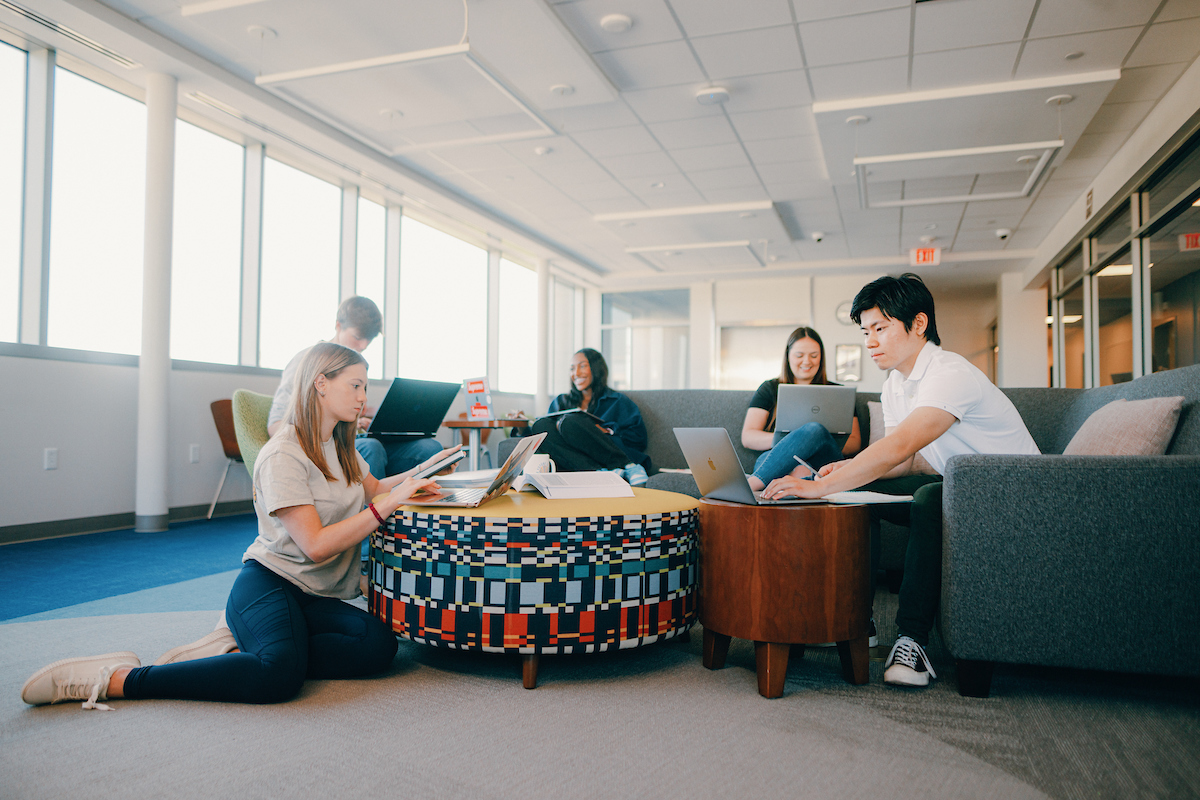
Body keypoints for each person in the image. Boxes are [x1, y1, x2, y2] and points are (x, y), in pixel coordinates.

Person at [21, 343, 454, 709]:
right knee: (278, 677)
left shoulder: (340, 446)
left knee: (379, 647)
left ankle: (242, 647)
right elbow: (317, 546)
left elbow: (375, 488)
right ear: (321, 383)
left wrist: (421, 477)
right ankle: (119, 679)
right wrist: (388, 505)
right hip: (271, 582)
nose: (364, 396)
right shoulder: (284, 453)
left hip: (314, 594)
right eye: (355, 385)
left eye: (365, 386)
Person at [759, 274, 1039, 689]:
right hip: (962, 489)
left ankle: (912, 641)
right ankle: (857, 622)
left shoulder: (949, 372)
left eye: (881, 328)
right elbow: (905, 459)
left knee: (929, 499)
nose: (871, 341)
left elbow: (900, 445)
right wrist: (844, 473)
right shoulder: (895, 384)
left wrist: (819, 485)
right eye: (865, 331)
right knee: (858, 494)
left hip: (1014, 494)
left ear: (919, 324)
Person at [268, 296, 442, 478]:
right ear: (338, 326)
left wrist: (363, 423)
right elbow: (276, 425)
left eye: (370, 340)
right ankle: (375, 506)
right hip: (332, 444)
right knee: (371, 448)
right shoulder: (307, 361)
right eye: (358, 337)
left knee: (430, 448)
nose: (363, 345)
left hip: (357, 439)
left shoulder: (358, 367)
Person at [743, 326, 862, 494]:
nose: (807, 361)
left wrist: (812, 440)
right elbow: (748, 436)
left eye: (814, 355)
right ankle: (797, 490)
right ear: (788, 356)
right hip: (778, 461)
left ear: (821, 357)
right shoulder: (770, 388)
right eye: (799, 355)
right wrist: (793, 442)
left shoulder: (838, 393)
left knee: (814, 429)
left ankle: (749, 485)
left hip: (825, 460)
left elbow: (855, 442)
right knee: (796, 469)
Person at [526, 348, 651, 486]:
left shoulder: (617, 401)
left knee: (569, 422)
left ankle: (628, 465)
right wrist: (522, 427)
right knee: (540, 425)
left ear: (596, 368)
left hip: (609, 453)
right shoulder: (561, 401)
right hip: (579, 462)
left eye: (583, 366)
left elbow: (639, 438)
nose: (576, 373)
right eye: (572, 368)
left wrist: (607, 431)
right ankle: (599, 472)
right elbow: (547, 439)